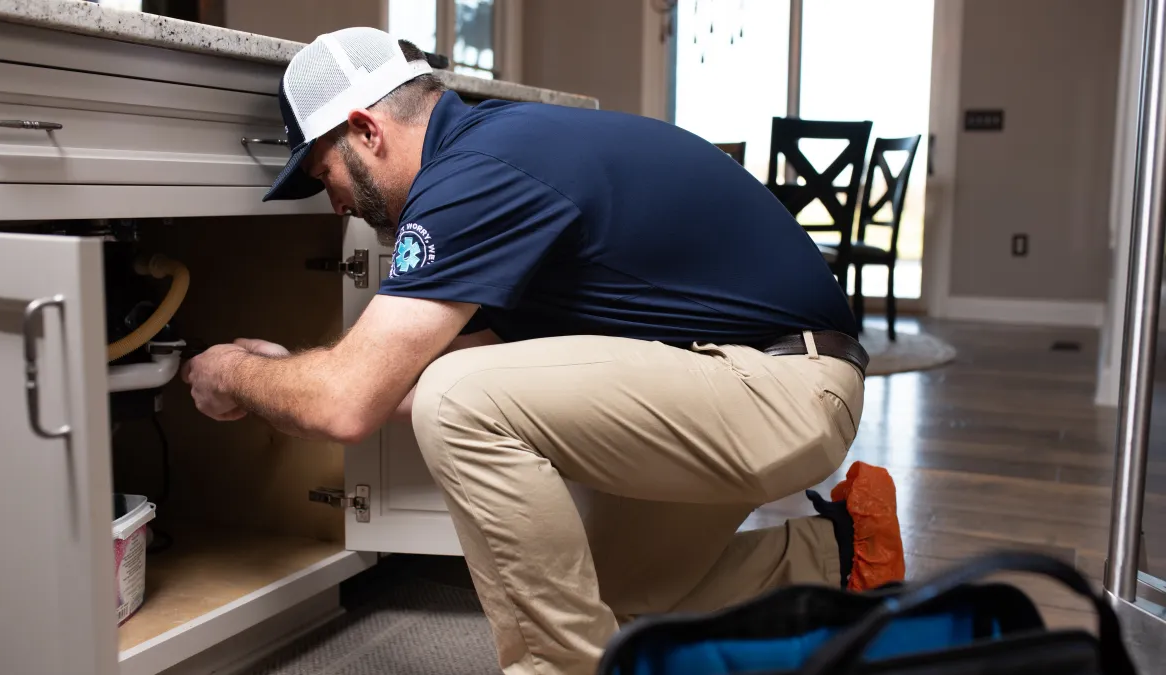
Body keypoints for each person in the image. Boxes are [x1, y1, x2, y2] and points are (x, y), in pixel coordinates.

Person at [181, 27, 904, 675]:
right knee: (605, 593)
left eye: (322, 178)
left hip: (779, 387)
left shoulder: (473, 176)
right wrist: (291, 375)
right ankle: (833, 558)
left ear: (365, 129)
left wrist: (235, 374)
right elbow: (394, 379)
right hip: (769, 377)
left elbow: (353, 404)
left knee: (459, 399)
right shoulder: (498, 152)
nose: (334, 205)